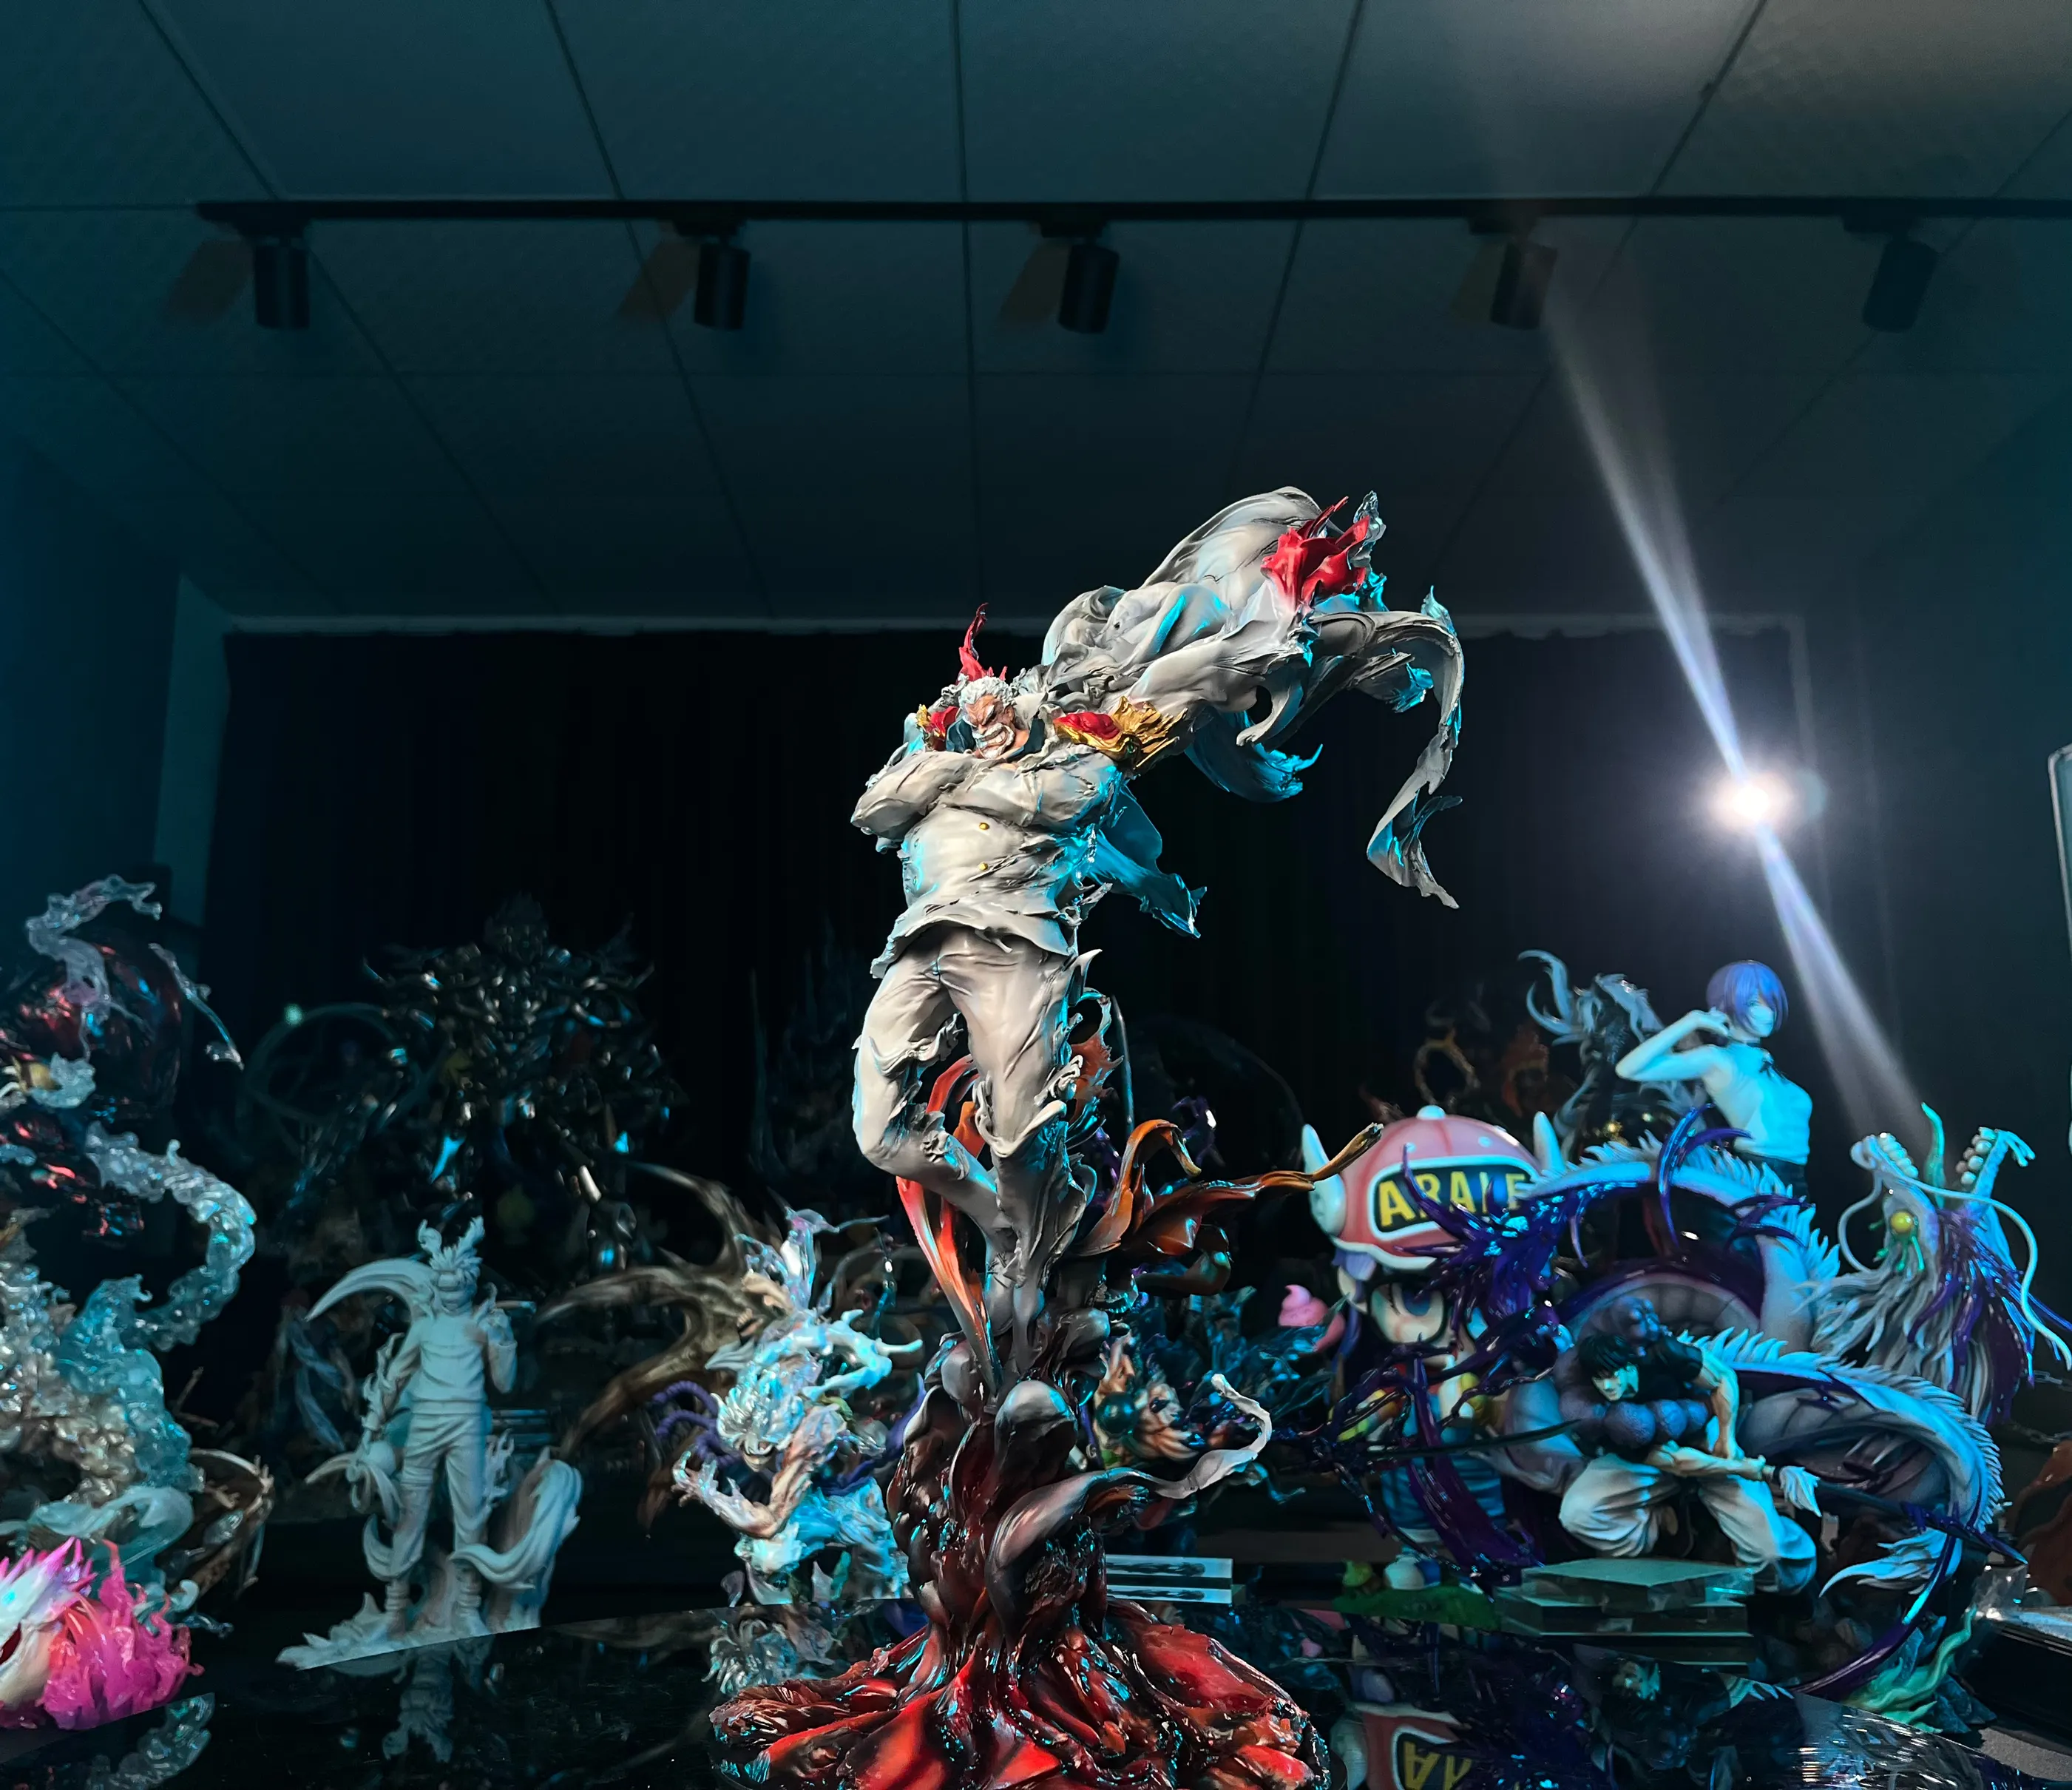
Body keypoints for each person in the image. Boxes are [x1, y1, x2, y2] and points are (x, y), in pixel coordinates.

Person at [1555, 1298, 1815, 1593]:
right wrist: (1746, 1469)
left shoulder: (1663, 1352)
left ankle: (1755, 1592)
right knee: (1578, 1514)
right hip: (1657, 1460)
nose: (1607, 1387)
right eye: (1599, 1380)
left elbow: (1722, 1378)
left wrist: (1726, 1438)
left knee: (1772, 1554)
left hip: (1704, 1434)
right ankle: (1657, 1528)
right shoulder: (1603, 1416)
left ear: (1631, 1363)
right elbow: (1677, 1462)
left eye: (1613, 1375)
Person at [1614, 961, 1810, 1189]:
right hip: (1760, 1178)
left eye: (1771, 1002)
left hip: (1796, 1180)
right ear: (1727, 1005)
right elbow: (1628, 1069)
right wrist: (1691, 1021)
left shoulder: (1765, 1061)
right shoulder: (1717, 1059)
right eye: (1753, 1003)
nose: (1768, 1012)